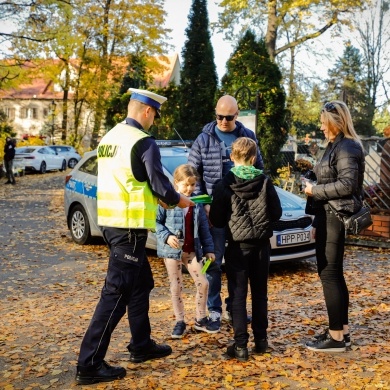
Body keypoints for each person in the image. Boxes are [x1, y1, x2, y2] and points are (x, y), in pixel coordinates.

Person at [75, 88, 195, 385]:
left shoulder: (110, 137)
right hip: (128, 228)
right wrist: (179, 200)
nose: (153, 120)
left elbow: (127, 179)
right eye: (154, 114)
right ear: (146, 111)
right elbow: (158, 183)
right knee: (115, 295)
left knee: (142, 281)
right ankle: (89, 364)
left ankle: (141, 345)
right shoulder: (143, 142)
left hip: (111, 224)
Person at [188, 95, 264, 332]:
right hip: (214, 211)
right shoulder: (203, 139)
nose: (222, 121)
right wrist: (205, 203)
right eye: (219, 116)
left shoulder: (248, 137)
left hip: (241, 212)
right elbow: (192, 172)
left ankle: (234, 307)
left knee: (238, 262)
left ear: (237, 115)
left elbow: (259, 169)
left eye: (228, 117)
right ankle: (214, 309)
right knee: (213, 260)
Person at [209, 137, 281, 361]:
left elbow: (218, 220)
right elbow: (276, 213)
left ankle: (240, 346)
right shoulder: (265, 182)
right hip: (261, 246)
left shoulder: (224, 184)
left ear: (231, 157)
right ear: (253, 158)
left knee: (238, 296)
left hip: (237, 248)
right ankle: (261, 341)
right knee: (260, 294)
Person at [304, 100, 365, 352]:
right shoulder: (335, 145)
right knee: (334, 274)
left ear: (336, 121)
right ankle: (341, 331)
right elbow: (331, 178)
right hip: (326, 216)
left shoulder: (347, 146)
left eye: (323, 122)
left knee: (329, 274)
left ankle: (337, 338)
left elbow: (347, 185)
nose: (321, 127)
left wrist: (314, 189)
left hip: (335, 218)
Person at [156, 164, 216, 338]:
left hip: (191, 251)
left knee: (203, 283)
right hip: (171, 252)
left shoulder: (195, 204)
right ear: (176, 183)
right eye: (186, 185)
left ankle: (200, 318)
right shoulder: (166, 201)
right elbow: (156, 222)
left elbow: (204, 229)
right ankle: (180, 321)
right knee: (176, 286)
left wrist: (209, 250)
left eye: (193, 185)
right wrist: (167, 236)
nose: (189, 189)